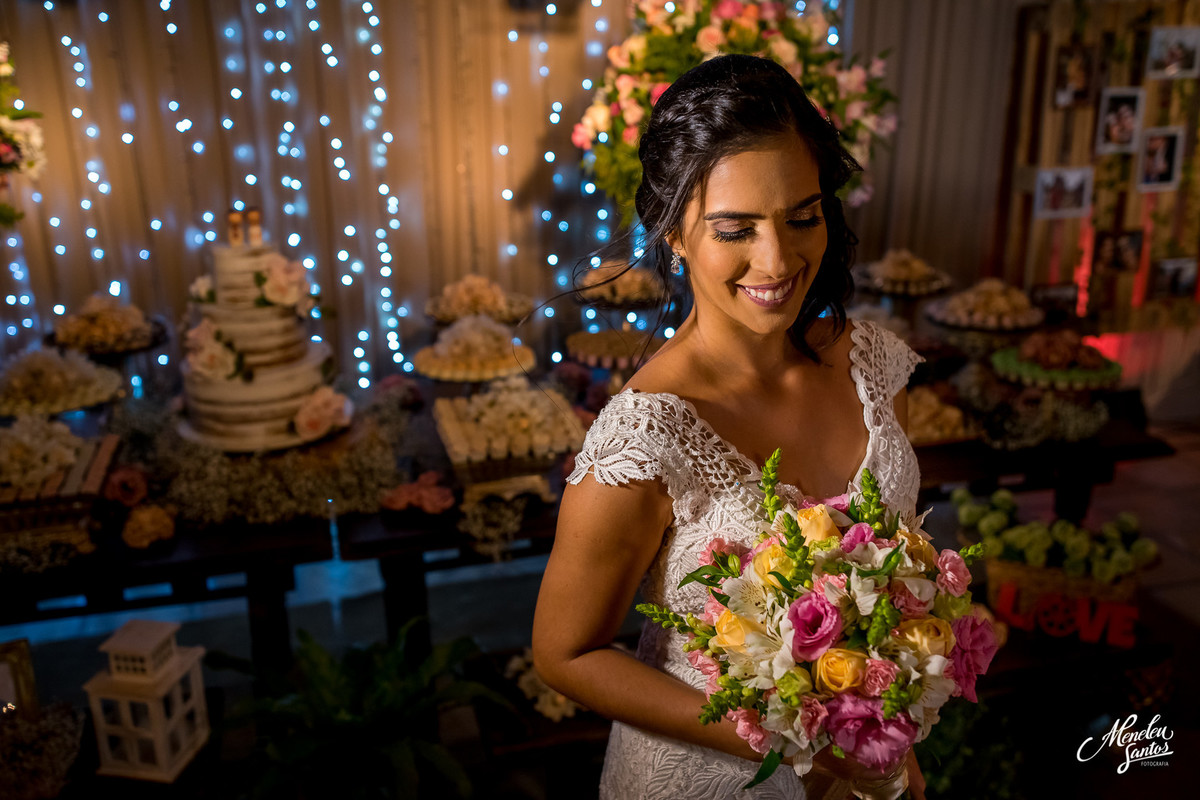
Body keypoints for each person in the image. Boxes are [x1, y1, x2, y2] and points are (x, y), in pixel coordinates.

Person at [533, 55, 927, 800]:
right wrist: (788, 739)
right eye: (734, 229)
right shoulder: (644, 439)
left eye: (801, 217)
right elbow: (565, 654)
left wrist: (886, 732)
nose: (776, 260)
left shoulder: (874, 367)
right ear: (673, 234)